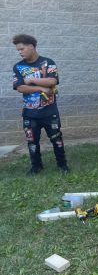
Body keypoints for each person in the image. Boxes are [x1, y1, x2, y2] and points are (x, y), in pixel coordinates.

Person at [12, 34, 69, 175]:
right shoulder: (18, 67)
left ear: (31, 46)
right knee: (32, 142)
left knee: (57, 140)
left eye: (22, 49)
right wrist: (41, 88)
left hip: (50, 112)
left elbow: (52, 81)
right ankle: (36, 167)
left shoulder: (48, 62)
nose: (20, 52)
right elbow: (20, 87)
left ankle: (62, 166)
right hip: (30, 113)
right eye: (18, 50)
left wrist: (30, 80)